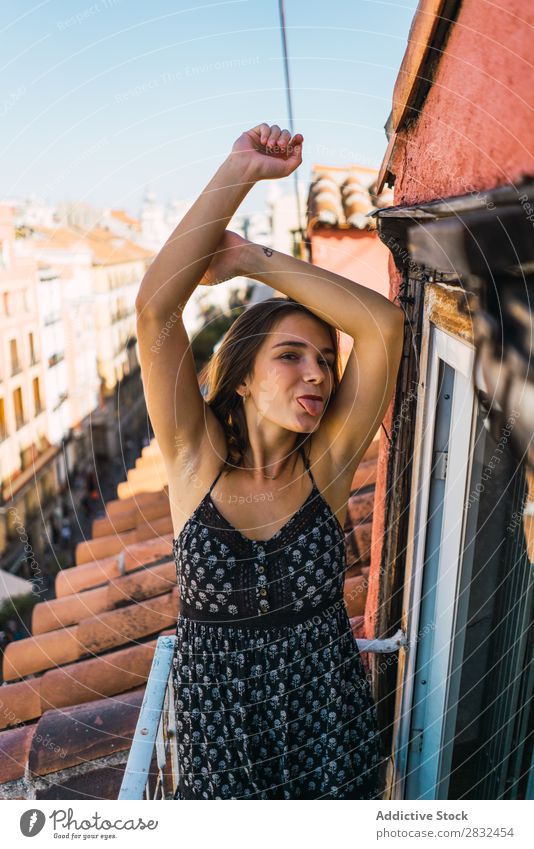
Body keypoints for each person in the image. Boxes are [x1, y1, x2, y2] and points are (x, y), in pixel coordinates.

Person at [135, 123, 404, 799]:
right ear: (244, 376)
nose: (316, 374)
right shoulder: (195, 461)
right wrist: (240, 170)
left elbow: (383, 327)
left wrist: (255, 258)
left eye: (323, 361)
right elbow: (154, 308)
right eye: (290, 355)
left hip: (333, 748)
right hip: (225, 765)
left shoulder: (328, 468)